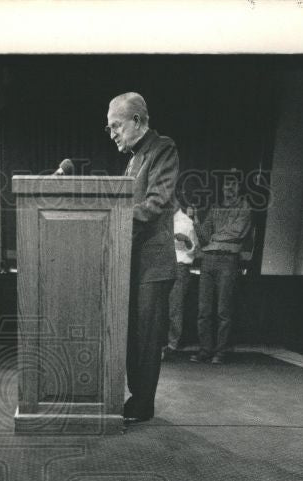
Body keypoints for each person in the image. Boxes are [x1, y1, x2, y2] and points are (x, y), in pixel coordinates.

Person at [106, 92, 179, 423]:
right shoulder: (133, 158)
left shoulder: (162, 149)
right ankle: (135, 399)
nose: (113, 134)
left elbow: (155, 204)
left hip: (153, 265)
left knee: (146, 339)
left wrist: (109, 215)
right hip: (131, 263)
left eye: (116, 126)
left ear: (136, 120)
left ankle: (142, 404)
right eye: (109, 129)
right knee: (133, 335)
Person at [189, 171, 252, 364]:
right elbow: (205, 236)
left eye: (233, 184)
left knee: (223, 311)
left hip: (227, 261)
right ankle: (205, 350)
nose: (229, 188)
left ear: (239, 187)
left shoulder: (245, 207)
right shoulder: (216, 208)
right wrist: (196, 220)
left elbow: (237, 233)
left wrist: (214, 238)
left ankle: (220, 352)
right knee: (204, 310)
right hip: (208, 260)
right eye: (226, 184)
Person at [164, 204, 199, 358]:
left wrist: (185, 240)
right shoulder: (162, 219)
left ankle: (173, 345)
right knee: (161, 306)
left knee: (175, 307)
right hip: (162, 265)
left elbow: (194, 249)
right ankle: (160, 343)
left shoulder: (186, 222)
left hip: (179, 267)